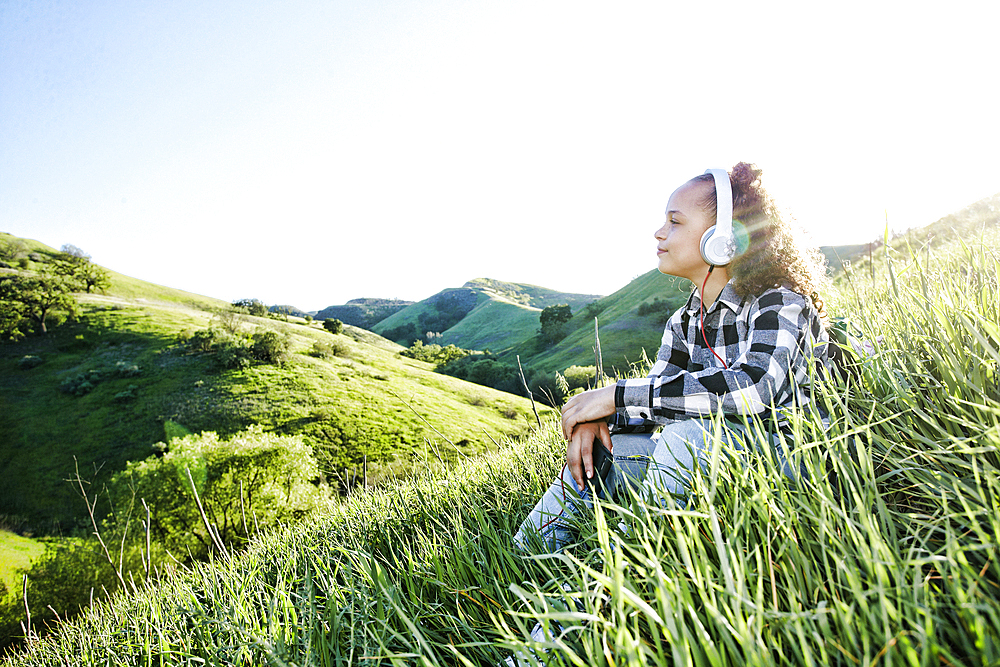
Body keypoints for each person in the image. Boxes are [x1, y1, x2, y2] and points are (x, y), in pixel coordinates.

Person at [513, 162, 832, 552]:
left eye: (675, 222)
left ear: (722, 238)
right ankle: (531, 559)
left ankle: (628, 575)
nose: (659, 232)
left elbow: (754, 388)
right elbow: (654, 403)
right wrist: (594, 419)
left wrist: (614, 396)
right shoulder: (684, 321)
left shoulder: (780, 302)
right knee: (609, 448)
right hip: (722, 462)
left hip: (796, 467)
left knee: (687, 436)